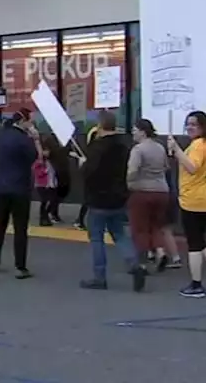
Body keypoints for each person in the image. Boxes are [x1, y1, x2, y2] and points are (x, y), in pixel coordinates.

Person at [80, 110, 145, 291]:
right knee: (120, 234)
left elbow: (89, 173)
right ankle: (135, 266)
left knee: (96, 238)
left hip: (98, 199)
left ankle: (99, 277)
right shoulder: (124, 147)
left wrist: (82, 165)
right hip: (118, 198)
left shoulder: (97, 147)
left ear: (100, 126)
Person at [169, 110, 206, 297]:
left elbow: (192, 167)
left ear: (203, 126)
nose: (189, 127)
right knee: (200, 238)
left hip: (194, 199)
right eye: (187, 124)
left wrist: (177, 151)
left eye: (194, 124)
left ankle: (196, 284)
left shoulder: (198, 146)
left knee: (193, 242)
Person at [0, 111, 38, 278]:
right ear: (23, 121)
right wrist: (35, 138)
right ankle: (20, 266)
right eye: (30, 122)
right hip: (20, 189)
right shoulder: (23, 139)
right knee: (20, 228)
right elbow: (34, 157)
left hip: (1, 187)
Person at [127, 119, 177, 271]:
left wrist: (129, 182)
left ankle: (142, 263)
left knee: (140, 227)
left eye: (135, 130)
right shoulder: (160, 147)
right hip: (162, 191)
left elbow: (133, 170)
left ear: (143, 131)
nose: (133, 133)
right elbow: (166, 167)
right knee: (156, 225)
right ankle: (160, 252)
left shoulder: (138, 149)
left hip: (142, 191)